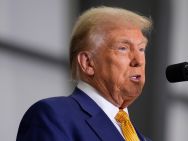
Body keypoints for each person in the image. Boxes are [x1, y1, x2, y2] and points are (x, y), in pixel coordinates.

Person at [16, 6, 152, 141]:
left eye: (141, 49)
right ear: (88, 63)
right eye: (123, 48)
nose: (139, 61)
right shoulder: (54, 116)